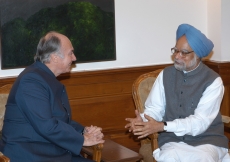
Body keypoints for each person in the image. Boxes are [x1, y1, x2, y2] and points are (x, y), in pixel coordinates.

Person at [125, 24, 230, 162]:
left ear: (197, 55)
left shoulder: (213, 81)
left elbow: (199, 123)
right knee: (169, 158)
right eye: (176, 50)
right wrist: (143, 121)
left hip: (206, 141)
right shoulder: (165, 75)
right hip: (172, 140)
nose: (177, 56)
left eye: (184, 52)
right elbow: (154, 108)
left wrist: (163, 126)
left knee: (203, 159)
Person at [1, 31, 104, 162]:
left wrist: (84, 131)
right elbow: (47, 125)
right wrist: (82, 140)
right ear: (55, 57)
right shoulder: (31, 81)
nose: (74, 58)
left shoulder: (43, 77)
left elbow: (58, 119)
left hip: (50, 152)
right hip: (31, 154)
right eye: (70, 53)